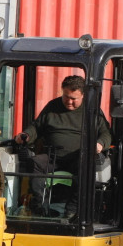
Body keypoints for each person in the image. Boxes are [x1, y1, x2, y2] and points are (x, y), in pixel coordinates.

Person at [14, 75, 111, 218]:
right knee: (35, 162)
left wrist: (100, 144)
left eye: (74, 99)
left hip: (78, 158)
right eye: (66, 96)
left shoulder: (92, 111)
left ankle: (72, 210)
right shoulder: (52, 107)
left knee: (86, 165)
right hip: (53, 157)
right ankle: (38, 207)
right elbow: (36, 127)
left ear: (83, 95)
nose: (69, 101)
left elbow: (106, 133)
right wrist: (26, 135)